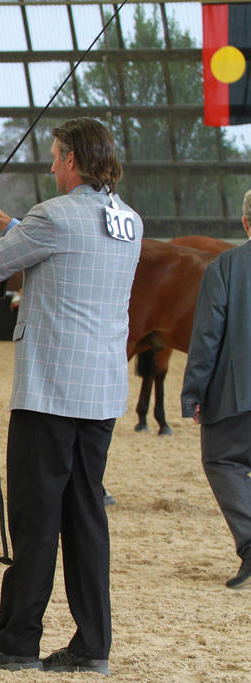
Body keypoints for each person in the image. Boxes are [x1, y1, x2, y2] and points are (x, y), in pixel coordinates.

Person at [0, 117, 142, 675]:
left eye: (55, 156)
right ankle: (92, 646)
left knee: (36, 522)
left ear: (70, 161)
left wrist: (1, 233)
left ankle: (17, 643)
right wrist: (6, 221)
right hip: (101, 392)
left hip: (49, 394)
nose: (50, 164)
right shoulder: (128, 220)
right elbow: (67, 246)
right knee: (87, 517)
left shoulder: (52, 215)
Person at [180, 188, 251, 591]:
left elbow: (207, 335)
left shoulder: (225, 267)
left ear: (245, 223)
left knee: (222, 461)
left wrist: (193, 393)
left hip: (237, 398)